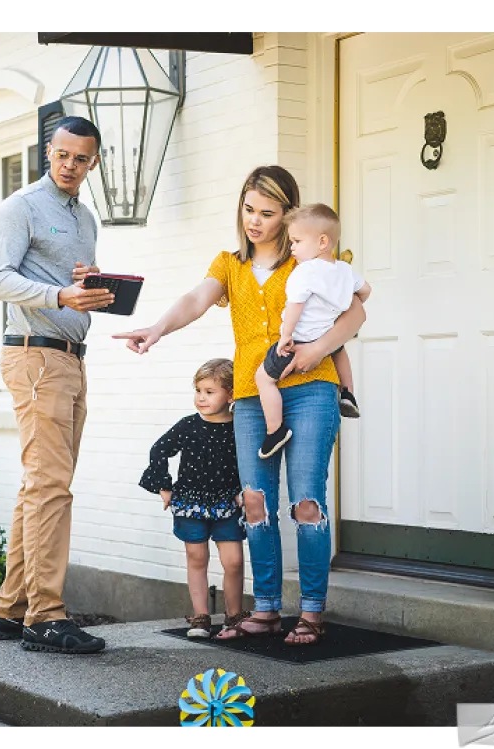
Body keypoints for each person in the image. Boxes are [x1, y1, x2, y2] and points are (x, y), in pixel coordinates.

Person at [113, 165, 366, 646]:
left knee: (307, 500)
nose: (255, 221)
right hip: (252, 396)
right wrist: (156, 329)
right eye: (249, 210)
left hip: (313, 388)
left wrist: (315, 350)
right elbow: (195, 299)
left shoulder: (308, 257)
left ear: (287, 214)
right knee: (254, 501)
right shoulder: (229, 265)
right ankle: (266, 608)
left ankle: (311, 612)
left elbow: (357, 310)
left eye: (267, 213)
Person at [0, 116, 117, 655]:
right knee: (50, 487)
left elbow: (65, 281)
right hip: (35, 356)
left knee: (40, 486)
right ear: (49, 151)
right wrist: (61, 297)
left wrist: (88, 287)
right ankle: (46, 615)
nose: (70, 166)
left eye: (81, 159)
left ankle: (12, 609)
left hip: (70, 360)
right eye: (62, 155)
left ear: (94, 162)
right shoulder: (21, 206)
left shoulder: (85, 217)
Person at [138, 358, 249, 639]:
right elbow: (158, 450)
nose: (201, 397)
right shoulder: (188, 426)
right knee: (196, 556)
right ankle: (200, 617)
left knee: (234, 560)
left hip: (227, 504)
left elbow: (250, 460)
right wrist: (163, 486)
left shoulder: (240, 428)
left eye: (210, 392)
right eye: (198, 390)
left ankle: (234, 616)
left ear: (231, 394)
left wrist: (243, 489)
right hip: (190, 502)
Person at [255, 203, 371, 459]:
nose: (292, 247)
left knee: (263, 378)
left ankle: (275, 430)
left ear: (322, 242)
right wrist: (345, 302)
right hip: (327, 333)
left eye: (296, 241)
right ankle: (348, 392)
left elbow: (295, 307)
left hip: (301, 339)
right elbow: (366, 291)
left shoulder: (304, 272)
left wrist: (286, 335)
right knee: (339, 350)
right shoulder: (344, 269)